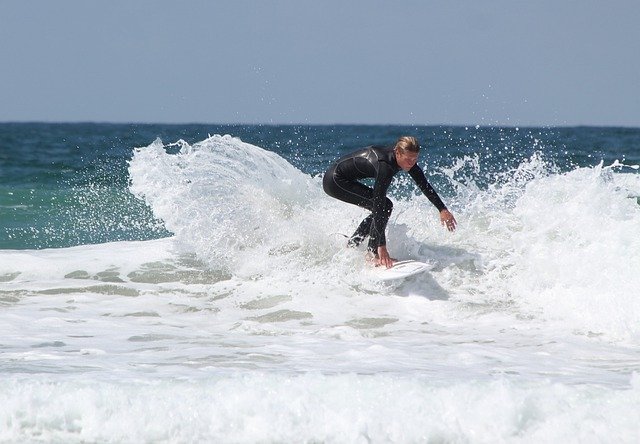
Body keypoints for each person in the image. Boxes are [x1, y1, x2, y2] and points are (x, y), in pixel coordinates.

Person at [323, 136, 456, 268]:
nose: (412, 162)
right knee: (384, 206)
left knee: (383, 207)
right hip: (335, 181)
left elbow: (424, 185)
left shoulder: (406, 161)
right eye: (408, 159)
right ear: (397, 152)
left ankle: (353, 244)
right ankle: (371, 254)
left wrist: (442, 209)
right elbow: (379, 205)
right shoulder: (384, 166)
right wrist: (382, 246)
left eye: (415, 158)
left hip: (344, 179)